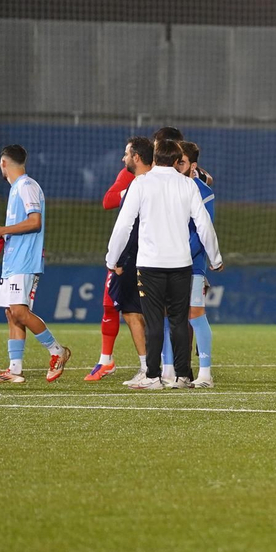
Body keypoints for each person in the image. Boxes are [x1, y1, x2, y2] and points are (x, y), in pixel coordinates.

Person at [105, 139, 222, 389]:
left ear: (155, 157)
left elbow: (124, 225)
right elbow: (204, 226)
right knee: (180, 321)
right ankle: (182, 376)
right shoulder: (187, 185)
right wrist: (216, 258)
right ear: (176, 158)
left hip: (150, 265)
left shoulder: (141, 183)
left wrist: (111, 258)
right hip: (181, 264)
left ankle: (153, 377)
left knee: (155, 321)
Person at [0, 144, 71, 384]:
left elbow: (35, 222)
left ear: (3, 163)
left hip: (25, 261)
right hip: (13, 260)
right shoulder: (16, 189)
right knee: (12, 314)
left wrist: (3, 229)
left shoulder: (27, 186)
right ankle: (14, 369)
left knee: (20, 311)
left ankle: (57, 350)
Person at [88, 138, 148, 382]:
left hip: (155, 250)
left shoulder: (167, 176)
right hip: (129, 250)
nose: (123, 159)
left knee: (161, 312)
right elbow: (108, 200)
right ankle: (106, 359)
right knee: (112, 304)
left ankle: (166, 366)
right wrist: (135, 188)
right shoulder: (130, 175)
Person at [171, 140, 216, 388]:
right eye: (175, 161)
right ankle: (174, 373)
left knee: (195, 315)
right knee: (171, 316)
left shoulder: (203, 192)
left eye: (182, 162)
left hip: (192, 264)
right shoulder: (168, 188)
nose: (177, 166)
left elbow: (202, 232)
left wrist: (182, 256)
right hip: (167, 263)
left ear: (193, 165)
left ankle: (205, 374)